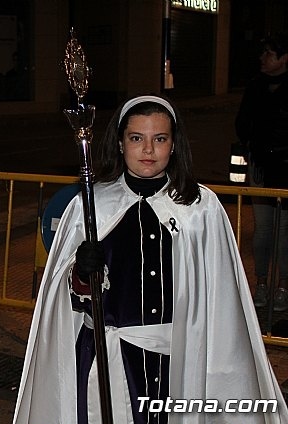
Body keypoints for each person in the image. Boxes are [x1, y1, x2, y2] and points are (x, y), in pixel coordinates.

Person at [14, 95, 288, 423]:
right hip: (108, 359)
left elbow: (221, 302)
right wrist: (81, 274)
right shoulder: (90, 206)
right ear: (119, 143)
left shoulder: (200, 209)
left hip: (178, 360)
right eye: (136, 138)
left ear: (173, 146)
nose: (148, 150)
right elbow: (64, 298)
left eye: (159, 139)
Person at [236, 33, 288, 312]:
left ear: (284, 58)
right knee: (263, 231)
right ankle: (262, 284)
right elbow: (242, 123)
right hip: (260, 169)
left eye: (269, 53)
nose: (263, 58)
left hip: (285, 171)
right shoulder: (256, 86)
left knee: (285, 233)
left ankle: (283, 288)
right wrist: (252, 147)